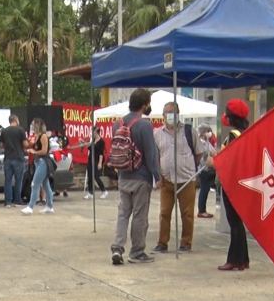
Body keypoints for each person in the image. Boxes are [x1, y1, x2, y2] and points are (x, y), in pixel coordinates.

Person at [111, 88, 161, 265]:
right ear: (145, 104)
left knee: (123, 214)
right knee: (140, 215)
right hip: (141, 177)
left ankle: (117, 248)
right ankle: (137, 252)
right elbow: (151, 154)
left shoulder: (117, 124)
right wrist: (158, 176)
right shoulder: (145, 125)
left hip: (123, 176)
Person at [153, 102, 203, 253]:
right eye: (167, 112)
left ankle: (186, 243)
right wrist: (157, 176)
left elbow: (199, 152)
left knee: (187, 214)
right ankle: (162, 243)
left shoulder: (189, 131)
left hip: (187, 179)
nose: (169, 115)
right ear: (162, 115)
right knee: (164, 213)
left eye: (173, 112)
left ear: (178, 114)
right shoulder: (157, 133)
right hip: (167, 180)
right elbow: (155, 156)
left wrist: (189, 166)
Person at [218, 99, 251, 271]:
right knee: (238, 223)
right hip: (242, 183)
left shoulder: (234, 136)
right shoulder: (247, 133)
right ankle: (243, 259)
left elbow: (229, 160)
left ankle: (234, 259)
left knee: (235, 223)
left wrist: (213, 161)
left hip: (232, 184)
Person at [21, 118, 54, 215]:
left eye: (33, 124)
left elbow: (44, 151)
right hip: (38, 162)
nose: (31, 126)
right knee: (45, 184)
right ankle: (49, 206)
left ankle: (30, 207)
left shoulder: (43, 136)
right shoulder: (37, 136)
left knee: (35, 183)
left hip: (43, 162)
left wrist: (34, 152)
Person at [0, 115, 28, 208]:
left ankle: (8, 202)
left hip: (7, 158)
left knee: (8, 180)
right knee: (18, 181)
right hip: (19, 158)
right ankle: (17, 200)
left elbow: (1, 145)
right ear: (16, 120)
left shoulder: (4, 131)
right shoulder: (20, 130)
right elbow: (25, 144)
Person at [196, 126, 218, 219]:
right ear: (203, 132)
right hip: (203, 169)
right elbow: (203, 157)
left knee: (206, 189)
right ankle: (201, 211)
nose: (210, 133)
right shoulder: (200, 143)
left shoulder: (207, 142)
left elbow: (214, 152)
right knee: (204, 190)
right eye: (208, 131)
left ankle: (202, 210)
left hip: (209, 169)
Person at [81, 127, 108, 200]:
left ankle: (104, 191)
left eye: (93, 132)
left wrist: (99, 163)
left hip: (97, 160)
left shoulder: (101, 141)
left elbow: (101, 153)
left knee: (96, 176)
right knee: (90, 176)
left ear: (96, 132)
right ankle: (90, 193)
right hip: (90, 160)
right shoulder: (93, 140)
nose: (92, 133)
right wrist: (83, 143)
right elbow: (89, 147)